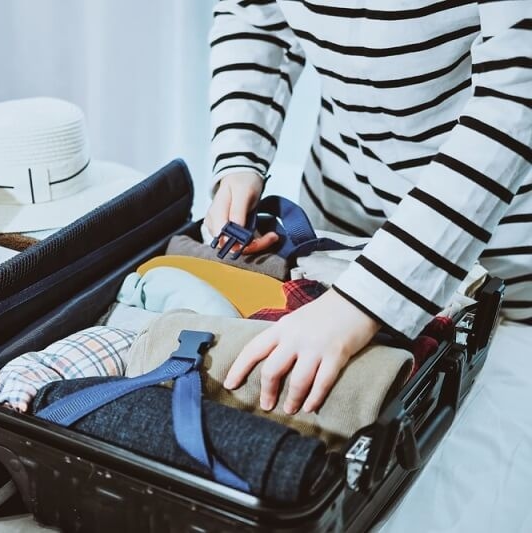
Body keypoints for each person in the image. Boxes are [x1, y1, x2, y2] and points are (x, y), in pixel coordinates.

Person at [205, 0, 531, 416]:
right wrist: (240, 156)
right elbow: (254, 12)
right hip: (339, 217)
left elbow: (515, 96)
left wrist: (365, 300)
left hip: (502, 255)